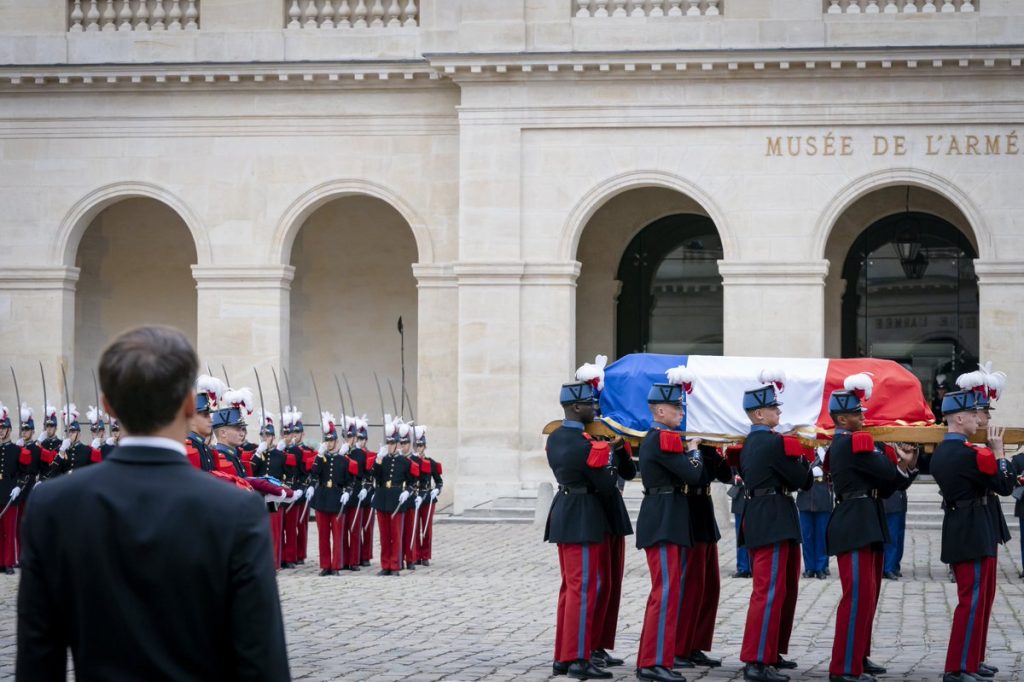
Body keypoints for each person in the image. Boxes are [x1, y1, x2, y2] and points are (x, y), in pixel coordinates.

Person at [16, 325, 290, 681]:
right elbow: (261, 660)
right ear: (191, 404)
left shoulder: (53, 506)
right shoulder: (237, 511)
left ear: (109, 406)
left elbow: (38, 660)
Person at [823, 376, 917, 682]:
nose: (863, 417)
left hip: (867, 519)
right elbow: (886, 475)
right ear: (841, 418)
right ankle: (844, 667)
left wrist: (905, 465)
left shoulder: (856, 442)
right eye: (857, 413)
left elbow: (891, 484)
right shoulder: (852, 443)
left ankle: (858, 655)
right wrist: (895, 464)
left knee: (869, 596)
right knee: (857, 596)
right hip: (854, 523)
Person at [930, 389, 1016, 682]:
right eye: (974, 415)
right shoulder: (972, 454)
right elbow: (1004, 486)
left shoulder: (945, 451)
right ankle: (958, 667)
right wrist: (1000, 454)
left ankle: (972, 660)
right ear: (959, 417)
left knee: (980, 598)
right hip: (973, 530)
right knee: (973, 600)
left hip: (966, 526)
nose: (979, 421)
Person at [737, 371, 813, 682]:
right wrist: (808, 460)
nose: (779, 413)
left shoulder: (752, 442)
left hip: (764, 514)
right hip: (774, 518)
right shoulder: (774, 444)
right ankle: (757, 660)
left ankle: (771, 652)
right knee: (769, 591)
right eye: (774, 409)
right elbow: (803, 481)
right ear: (758, 413)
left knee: (780, 589)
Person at [545, 379, 618, 681]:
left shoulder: (556, 438)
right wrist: (611, 454)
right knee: (584, 588)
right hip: (584, 516)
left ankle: (564, 656)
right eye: (590, 403)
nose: (594, 408)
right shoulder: (585, 443)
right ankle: (578, 657)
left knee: (571, 588)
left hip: (565, 512)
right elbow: (606, 483)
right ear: (576, 407)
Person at [575, 355, 635, 671]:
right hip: (592, 511)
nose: (598, 413)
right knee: (594, 584)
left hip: (612, 510)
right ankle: (587, 646)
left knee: (610, 584)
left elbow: (626, 470)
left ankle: (599, 643)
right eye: (595, 407)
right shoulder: (579, 438)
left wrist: (620, 444)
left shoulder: (610, 432)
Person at [309, 413, 356, 576]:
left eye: (331, 440)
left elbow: (350, 481)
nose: (329, 443)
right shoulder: (320, 459)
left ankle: (335, 566)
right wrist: (319, 456)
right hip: (322, 497)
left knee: (337, 536)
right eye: (327, 440)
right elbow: (313, 474)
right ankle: (325, 565)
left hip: (336, 498)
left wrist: (348, 493)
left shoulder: (343, 460)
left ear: (336, 442)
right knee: (323, 536)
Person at [372, 415, 418, 576]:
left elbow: (413, 482)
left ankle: (396, 565)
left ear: (398, 443)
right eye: (388, 442)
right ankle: (386, 565)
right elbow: (375, 477)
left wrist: (407, 492)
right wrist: (378, 459)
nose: (390, 445)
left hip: (397, 499)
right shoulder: (382, 460)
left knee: (396, 535)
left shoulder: (405, 462)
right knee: (385, 536)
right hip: (382, 498)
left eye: (392, 443)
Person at [0, 403, 30, 575]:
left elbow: (24, 473)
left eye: (3, 428)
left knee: (9, 530)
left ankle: (9, 561)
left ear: (9, 430)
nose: (1, 431)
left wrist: (18, 487)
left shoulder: (17, 450)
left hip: (11, 493)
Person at [413, 425, 443, 568]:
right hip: (414, 497)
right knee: (415, 526)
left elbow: (439, 481)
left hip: (427, 497)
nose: (419, 448)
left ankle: (425, 555)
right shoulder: (411, 461)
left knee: (426, 527)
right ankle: (416, 554)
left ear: (425, 447)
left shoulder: (431, 463)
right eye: (417, 445)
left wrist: (437, 490)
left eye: (421, 445)